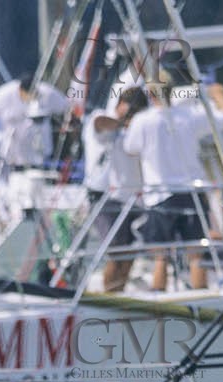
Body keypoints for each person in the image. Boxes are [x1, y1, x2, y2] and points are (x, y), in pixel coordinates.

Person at [121, 74, 223, 291]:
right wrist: (219, 95)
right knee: (196, 253)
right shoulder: (190, 116)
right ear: (172, 91)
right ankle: (200, 296)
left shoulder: (142, 121)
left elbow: (130, 148)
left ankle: (158, 299)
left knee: (161, 256)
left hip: (159, 194)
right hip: (192, 192)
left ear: (150, 93)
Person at [81, 87, 146, 292]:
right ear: (118, 106)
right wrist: (124, 121)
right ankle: (110, 294)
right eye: (129, 110)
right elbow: (100, 124)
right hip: (105, 197)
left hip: (133, 198)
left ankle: (119, 293)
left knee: (129, 254)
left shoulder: (138, 129)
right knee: (115, 251)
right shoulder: (101, 118)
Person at [0, 69, 71, 170]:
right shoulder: (3, 94)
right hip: (13, 157)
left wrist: (65, 127)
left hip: (41, 156)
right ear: (20, 89)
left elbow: (67, 108)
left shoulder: (47, 93)